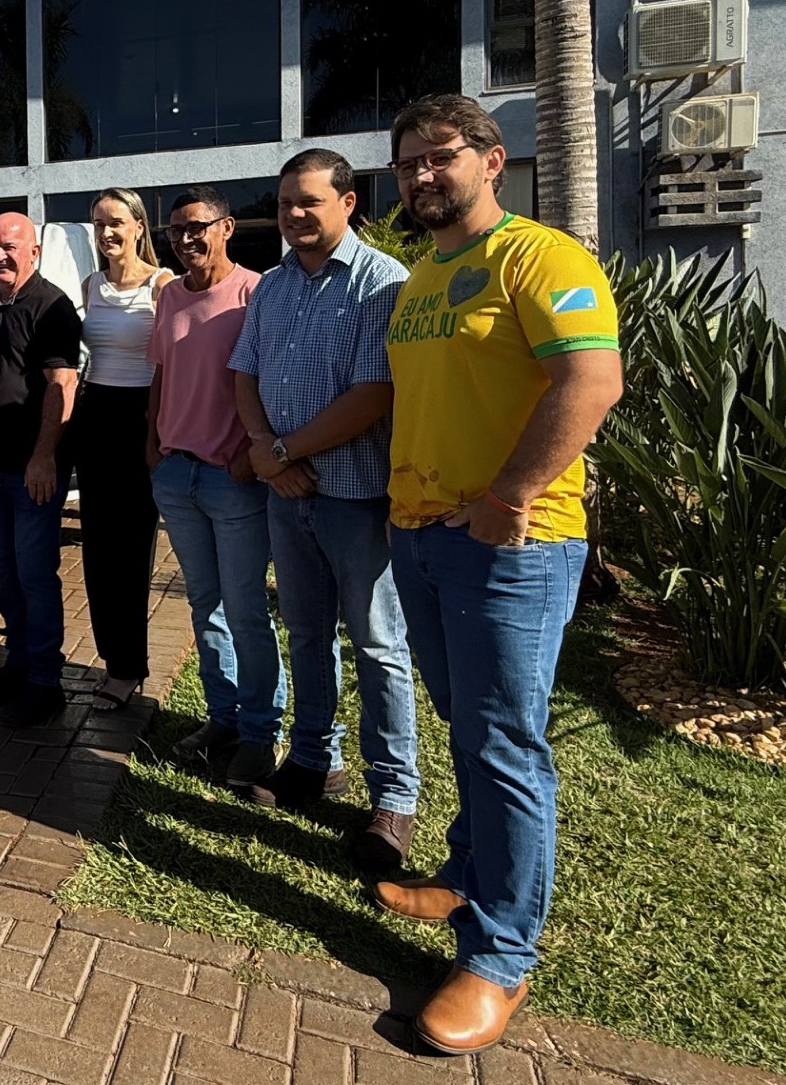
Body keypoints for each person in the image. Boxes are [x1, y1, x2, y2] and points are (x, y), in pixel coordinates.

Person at [375, 94, 622, 1055]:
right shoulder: (424, 277)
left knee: (506, 742)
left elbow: (592, 381)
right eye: (407, 166)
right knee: (466, 724)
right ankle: (467, 873)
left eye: (438, 158)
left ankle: (502, 954)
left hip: (510, 545)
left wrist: (511, 495)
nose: (422, 176)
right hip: (422, 536)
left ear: (490, 159)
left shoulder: (542, 258)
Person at [230, 150, 420, 872]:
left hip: (355, 495)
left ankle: (394, 798)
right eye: (284, 204)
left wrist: (278, 453)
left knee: (376, 644)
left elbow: (374, 396)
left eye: (308, 202)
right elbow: (244, 372)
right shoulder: (273, 288)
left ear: (348, 203)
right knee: (305, 633)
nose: (294, 216)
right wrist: (263, 448)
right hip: (289, 496)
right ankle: (313, 760)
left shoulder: (383, 284)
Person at [145, 186, 284, 785]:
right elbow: (160, 375)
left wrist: (254, 455)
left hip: (235, 478)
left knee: (247, 609)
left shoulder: (256, 291)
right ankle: (222, 717)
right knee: (206, 606)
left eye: (198, 227)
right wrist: (153, 445)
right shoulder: (170, 295)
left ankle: (259, 732)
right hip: (177, 474)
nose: (187, 239)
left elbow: (274, 383)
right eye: (176, 230)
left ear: (226, 228)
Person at [0, 214, 82, 727]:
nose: (1, 255)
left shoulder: (51, 306)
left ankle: (45, 682)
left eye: (11, 246)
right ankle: (17, 665)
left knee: (36, 575)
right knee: (9, 576)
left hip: (32, 468)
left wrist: (44, 457)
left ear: (33, 250)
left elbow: (63, 384)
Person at [71, 188, 172, 712]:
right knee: (98, 549)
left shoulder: (162, 285)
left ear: (138, 226)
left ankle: (130, 668)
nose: (106, 233)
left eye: (115, 223)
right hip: (98, 418)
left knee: (132, 550)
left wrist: (158, 433)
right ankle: (114, 661)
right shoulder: (91, 285)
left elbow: (171, 364)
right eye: (97, 224)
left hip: (142, 418)